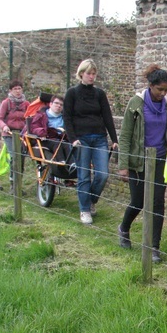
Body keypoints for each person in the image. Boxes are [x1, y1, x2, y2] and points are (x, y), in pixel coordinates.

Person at [117, 65, 167, 263]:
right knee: (139, 202)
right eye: (160, 89)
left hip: (160, 159)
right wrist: (123, 165)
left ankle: (154, 247)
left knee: (158, 203)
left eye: (166, 90)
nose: (163, 93)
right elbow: (125, 135)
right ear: (150, 86)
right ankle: (124, 228)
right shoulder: (136, 104)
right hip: (138, 161)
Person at [63, 59, 118, 225]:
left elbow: (107, 116)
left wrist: (114, 139)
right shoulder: (72, 93)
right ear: (81, 74)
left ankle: (91, 200)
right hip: (82, 139)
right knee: (84, 176)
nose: (92, 77)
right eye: (89, 73)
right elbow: (67, 117)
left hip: (99, 138)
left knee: (102, 174)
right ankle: (84, 209)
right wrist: (73, 139)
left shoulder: (99, 94)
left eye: (94, 74)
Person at [0, 79, 30, 191]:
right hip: (9, 134)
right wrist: (4, 126)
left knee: (21, 158)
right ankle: (13, 184)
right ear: (10, 90)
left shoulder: (26, 104)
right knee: (14, 157)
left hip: (22, 134)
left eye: (19, 88)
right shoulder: (6, 103)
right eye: (15, 89)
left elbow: (30, 118)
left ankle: (18, 185)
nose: (17, 91)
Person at [31, 95, 74, 166]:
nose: (59, 106)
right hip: (45, 139)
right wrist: (42, 133)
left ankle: (72, 164)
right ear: (50, 104)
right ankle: (61, 163)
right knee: (57, 143)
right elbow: (34, 128)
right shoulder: (41, 115)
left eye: (61, 105)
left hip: (62, 139)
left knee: (67, 145)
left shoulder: (65, 118)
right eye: (56, 103)